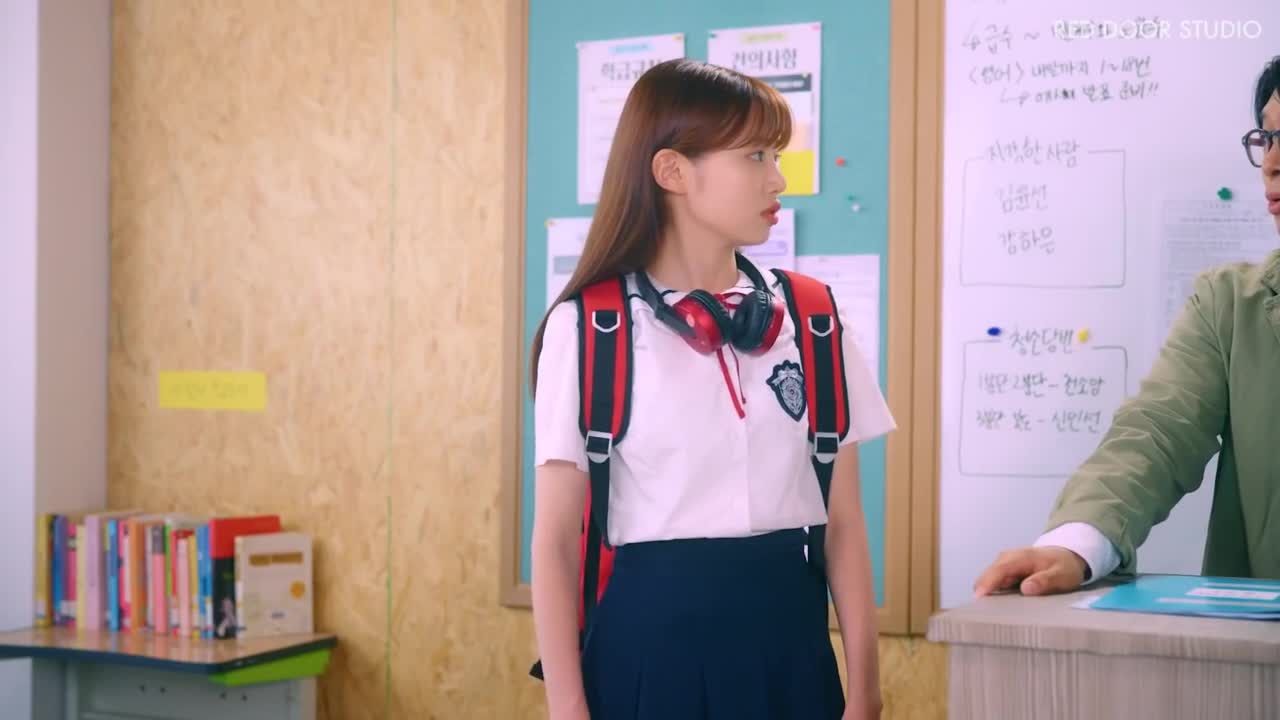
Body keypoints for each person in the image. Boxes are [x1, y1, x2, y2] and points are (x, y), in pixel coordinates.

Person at [528, 58, 895, 720]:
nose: (778, 178)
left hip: (792, 649)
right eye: (755, 155)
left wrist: (865, 691)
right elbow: (555, 541)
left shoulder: (813, 317)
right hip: (648, 654)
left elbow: (843, 522)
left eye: (776, 155)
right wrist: (567, 708)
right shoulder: (590, 328)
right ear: (672, 171)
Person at [974, 55, 1280, 598]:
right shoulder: (1231, 304)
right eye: (1268, 138)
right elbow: (1157, 432)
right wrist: (1075, 544)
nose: (1272, 163)